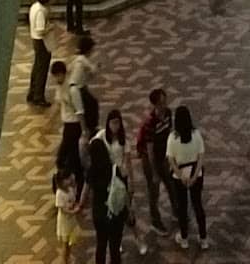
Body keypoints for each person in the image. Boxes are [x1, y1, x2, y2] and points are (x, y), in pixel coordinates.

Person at [88, 110, 133, 264]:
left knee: (102, 244)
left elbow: (87, 189)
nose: (115, 126)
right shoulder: (101, 137)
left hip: (101, 211)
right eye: (113, 122)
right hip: (115, 206)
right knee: (112, 245)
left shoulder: (92, 173)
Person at [166, 105, 207, 249]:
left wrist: (180, 176)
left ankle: (184, 238)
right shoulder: (196, 135)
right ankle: (203, 238)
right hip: (197, 173)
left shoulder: (173, 138)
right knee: (198, 205)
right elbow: (201, 156)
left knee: (182, 207)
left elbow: (171, 160)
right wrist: (195, 175)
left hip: (179, 177)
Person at [136, 89, 176, 236]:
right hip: (151, 159)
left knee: (171, 184)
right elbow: (150, 149)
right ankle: (155, 221)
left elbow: (169, 133)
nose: (164, 105)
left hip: (163, 156)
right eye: (161, 103)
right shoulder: (150, 122)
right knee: (154, 191)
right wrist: (154, 172)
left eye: (165, 101)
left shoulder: (168, 113)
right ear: (155, 104)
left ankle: (176, 211)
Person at [52, 62, 85, 197]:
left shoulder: (72, 89)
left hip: (74, 127)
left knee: (64, 158)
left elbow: (80, 111)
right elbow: (58, 104)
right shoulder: (59, 87)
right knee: (71, 158)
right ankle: (73, 186)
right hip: (67, 126)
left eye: (57, 76)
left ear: (63, 74)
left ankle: (72, 186)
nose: (56, 79)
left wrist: (84, 131)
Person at [27, 0, 53, 106]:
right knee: (42, 69)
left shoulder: (34, 6)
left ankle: (32, 92)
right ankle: (38, 96)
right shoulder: (41, 12)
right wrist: (50, 28)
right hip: (41, 42)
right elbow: (40, 30)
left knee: (37, 67)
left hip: (35, 39)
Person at [55, 169, 82, 264]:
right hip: (64, 222)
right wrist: (73, 211)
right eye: (66, 179)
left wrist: (76, 206)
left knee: (70, 243)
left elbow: (74, 200)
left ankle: (68, 257)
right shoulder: (59, 193)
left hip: (71, 220)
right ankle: (64, 260)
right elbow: (62, 209)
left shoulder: (70, 189)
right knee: (65, 244)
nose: (69, 180)